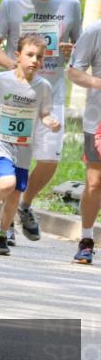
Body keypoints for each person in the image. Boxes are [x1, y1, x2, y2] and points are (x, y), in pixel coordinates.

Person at [0, 0, 82, 245]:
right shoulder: (13, 3)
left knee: (50, 159)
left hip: (51, 94)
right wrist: (13, 69)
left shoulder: (70, 4)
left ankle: (25, 205)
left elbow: (78, 47)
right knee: (16, 164)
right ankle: (7, 224)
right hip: (18, 99)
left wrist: (71, 51)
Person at [0, 35, 59, 255]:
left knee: (15, 195)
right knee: (7, 184)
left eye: (40, 57)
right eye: (30, 54)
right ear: (18, 55)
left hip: (23, 148)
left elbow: (44, 113)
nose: (35, 60)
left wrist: (50, 122)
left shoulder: (43, 87)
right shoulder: (1, 79)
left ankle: (2, 235)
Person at [67, 19, 101, 264]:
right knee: (95, 183)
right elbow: (73, 71)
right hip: (98, 121)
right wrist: (97, 83)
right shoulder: (95, 31)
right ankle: (87, 239)